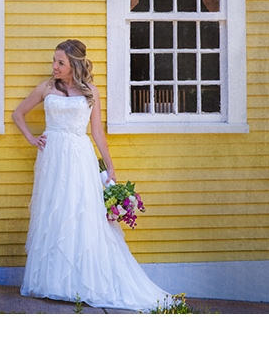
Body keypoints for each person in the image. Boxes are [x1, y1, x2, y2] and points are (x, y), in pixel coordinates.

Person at [12, 39, 172, 311]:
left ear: (74, 64)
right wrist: (31, 138)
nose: (54, 66)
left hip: (79, 156)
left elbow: (96, 131)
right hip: (52, 158)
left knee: (81, 214)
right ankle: (52, 283)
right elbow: (18, 113)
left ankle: (81, 282)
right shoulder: (47, 87)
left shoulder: (91, 92)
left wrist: (110, 165)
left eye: (60, 62)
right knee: (54, 213)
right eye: (54, 61)